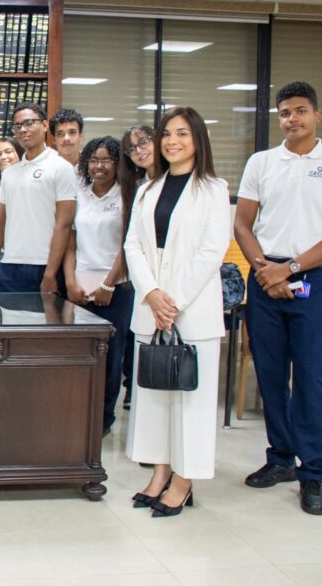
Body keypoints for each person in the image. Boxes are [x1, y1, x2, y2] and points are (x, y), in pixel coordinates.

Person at [235, 81, 322, 516]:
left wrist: (288, 270)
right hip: (264, 277)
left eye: (301, 111)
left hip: (311, 280)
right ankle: (280, 460)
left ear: (317, 116)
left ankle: (313, 475)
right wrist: (266, 270)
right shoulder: (262, 162)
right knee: (269, 375)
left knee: (309, 379)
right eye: (285, 112)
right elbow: (243, 225)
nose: (293, 119)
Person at [123, 107, 230, 518]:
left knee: (190, 400)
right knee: (154, 396)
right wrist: (151, 293)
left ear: (198, 139)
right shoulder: (149, 190)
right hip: (152, 307)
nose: (172, 142)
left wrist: (173, 299)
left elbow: (211, 252)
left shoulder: (214, 189)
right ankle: (160, 471)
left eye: (182, 134)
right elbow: (132, 245)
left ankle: (184, 481)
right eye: (166, 134)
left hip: (192, 307)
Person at [63, 136, 131, 435]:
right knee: (78, 355)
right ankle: (78, 413)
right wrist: (70, 282)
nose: (99, 166)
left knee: (111, 355)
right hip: (79, 285)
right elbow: (71, 243)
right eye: (93, 160)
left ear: (117, 163)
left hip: (116, 287)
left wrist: (108, 284)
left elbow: (128, 246)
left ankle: (103, 418)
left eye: (106, 160)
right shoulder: (81, 195)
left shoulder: (126, 196)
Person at [0, 103, 76, 294]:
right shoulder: (10, 173)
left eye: (28, 123)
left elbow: (64, 225)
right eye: (17, 126)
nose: (23, 130)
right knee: (9, 323)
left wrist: (50, 274)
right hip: (9, 265)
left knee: (45, 323)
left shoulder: (60, 167)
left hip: (44, 265)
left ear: (44, 125)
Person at [118, 124, 160, 411]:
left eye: (143, 142)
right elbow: (132, 244)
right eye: (132, 148)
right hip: (147, 287)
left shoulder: (201, 185)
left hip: (175, 290)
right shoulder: (141, 189)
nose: (139, 151)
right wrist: (150, 288)